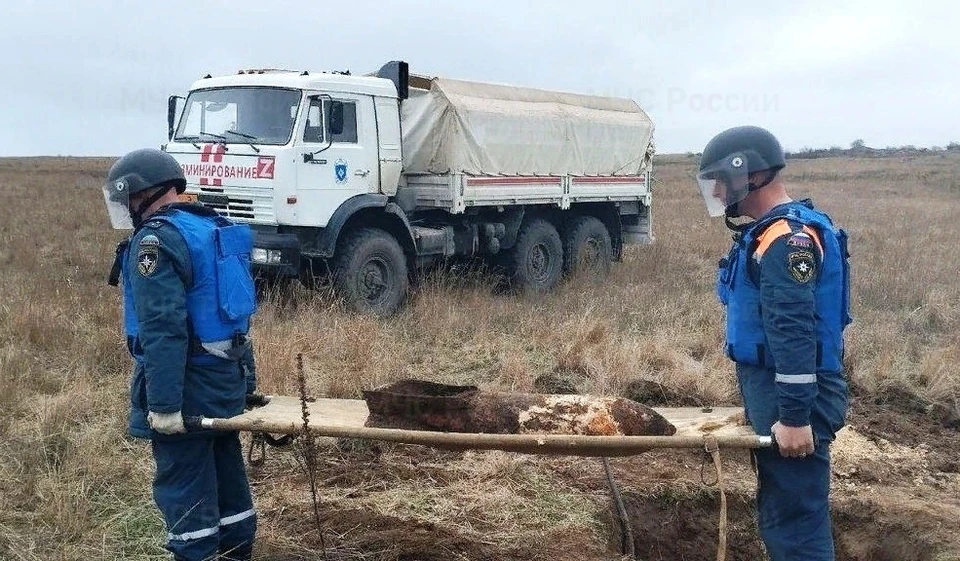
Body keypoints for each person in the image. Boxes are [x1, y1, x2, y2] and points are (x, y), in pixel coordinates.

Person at [697, 126, 852, 560]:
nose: (718, 191)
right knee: (784, 516)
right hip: (782, 398)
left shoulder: (786, 241)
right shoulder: (770, 233)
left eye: (721, 181)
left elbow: (794, 332)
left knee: (797, 528)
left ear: (748, 173)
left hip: (797, 402)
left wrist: (796, 417)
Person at [102, 148, 260, 561]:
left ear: (143, 194)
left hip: (187, 389)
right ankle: (237, 552)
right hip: (226, 382)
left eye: (128, 199)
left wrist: (165, 406)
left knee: (184, 488)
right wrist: (248, 384)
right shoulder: (213, 226)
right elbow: (238, 318)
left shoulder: (155, 242)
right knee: (228, 477)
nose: (127, 209)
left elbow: (163, 329)